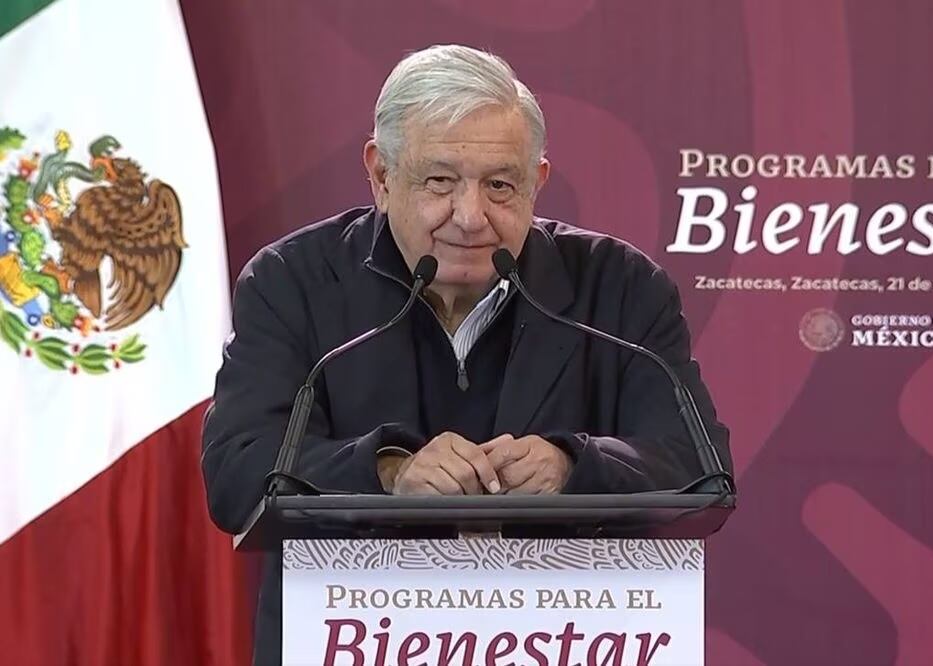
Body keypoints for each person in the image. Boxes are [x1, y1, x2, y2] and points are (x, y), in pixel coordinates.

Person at [200, 44, 732, 665]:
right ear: (379, 175)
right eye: (440, 182)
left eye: (500, 185)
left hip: (566, 639)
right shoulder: (292, 281)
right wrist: (388, 473)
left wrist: (572, 464)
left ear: (537, 183)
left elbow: (699, 466)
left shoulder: (620, 287)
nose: (471, 216)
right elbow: (239, 471)